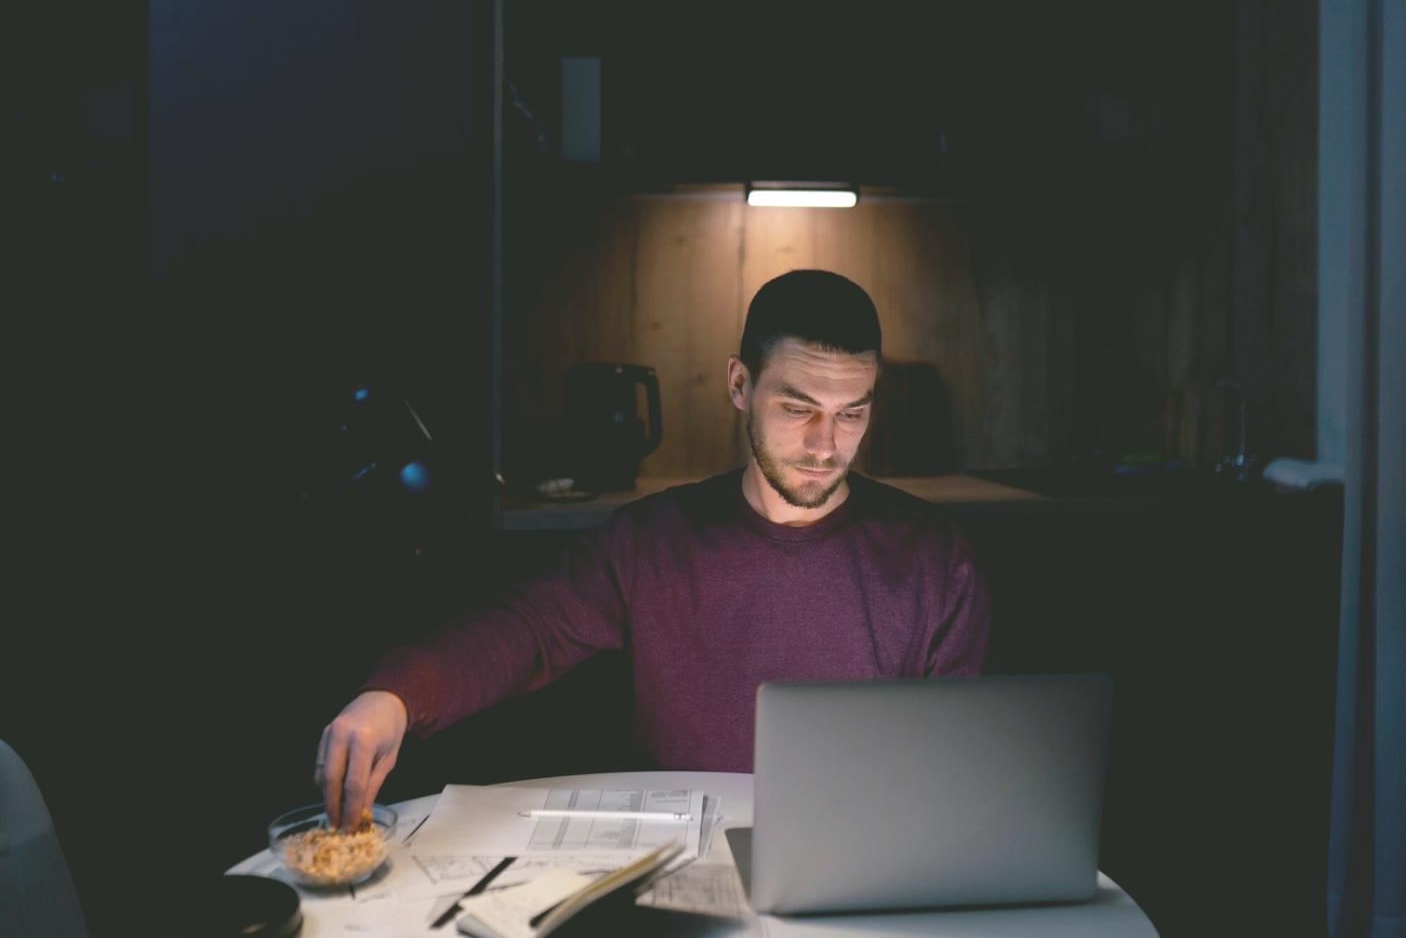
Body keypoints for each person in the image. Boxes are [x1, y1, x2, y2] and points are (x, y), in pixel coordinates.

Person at [315, 269, 990, 828]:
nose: (825, 445)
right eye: (797, 408)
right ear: (739, 386)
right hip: (679, 865)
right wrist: (396, 695)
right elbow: (524, 631)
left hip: (860, 870)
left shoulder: (933, 561)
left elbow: (955, 772)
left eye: (852, 413)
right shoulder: (652, 543)